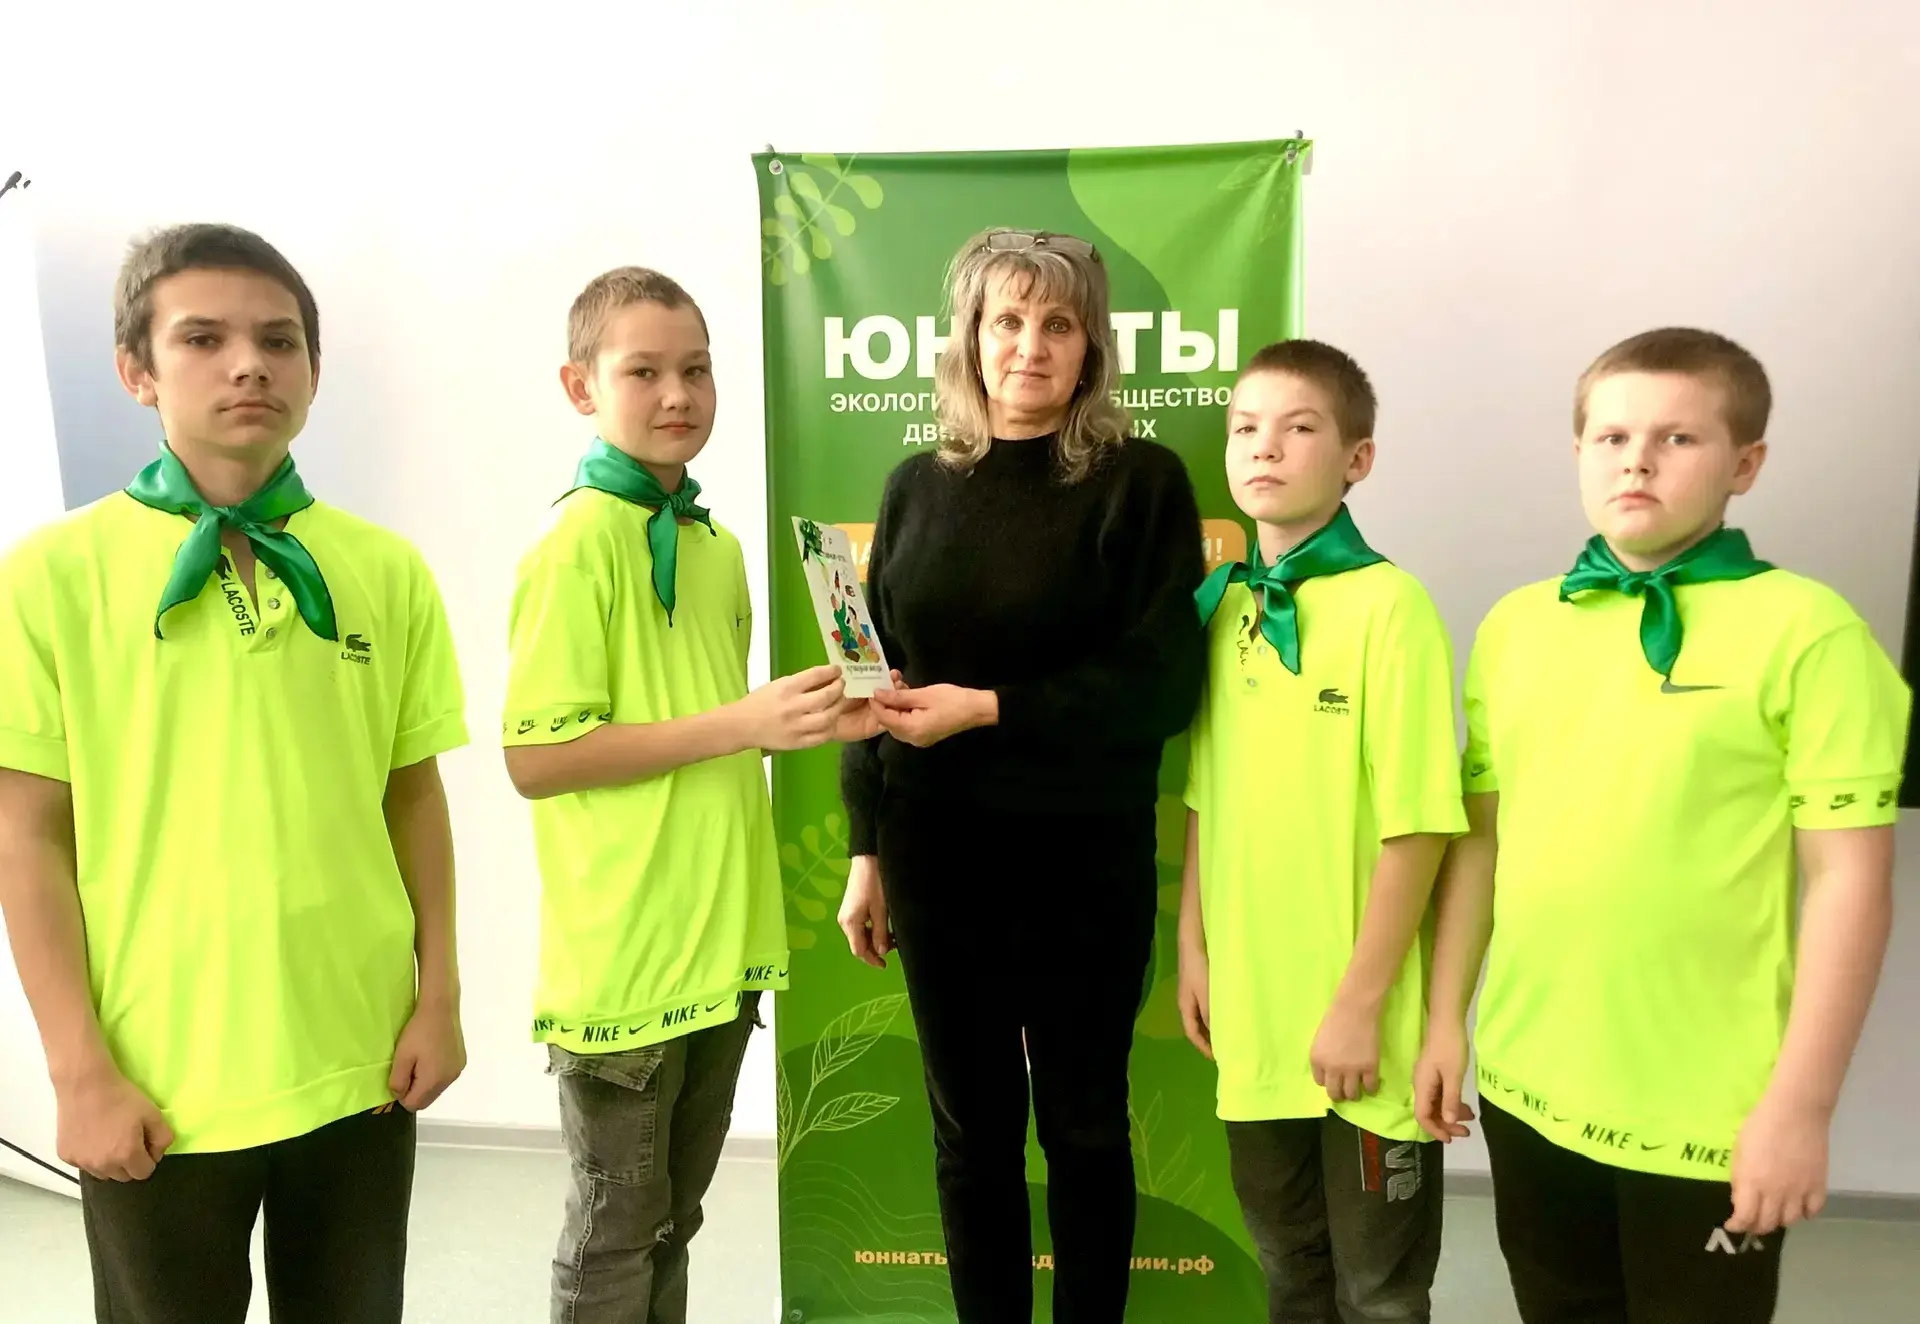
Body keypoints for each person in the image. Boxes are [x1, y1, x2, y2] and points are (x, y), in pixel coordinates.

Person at [0, 223, 469, 1323]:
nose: (249, 364)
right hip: (159, 1078)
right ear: (137, 370)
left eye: (279, 340)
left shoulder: (385, 568)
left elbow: (412, 797)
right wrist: (78, 1071)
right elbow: (26, 833)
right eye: (203, 338)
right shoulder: (50, 575)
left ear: (314, 370)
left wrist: (439, 997)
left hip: (358, 1063)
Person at [1415, 328, 1911, 1324]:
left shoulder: (1812, 633)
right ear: (1579, 453)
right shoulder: (1516, 626)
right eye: (1611, 437)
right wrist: (1442, 1020)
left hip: (1707, 1116)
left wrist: (1800, 1108)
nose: (1636, 460)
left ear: (1745, 464)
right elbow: (1482, 842)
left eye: (1677, 438)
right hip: (1525, 1089)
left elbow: (1851, 882)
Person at [836, 228, 1207, 1323]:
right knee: (972, 1138)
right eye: (1007, 320)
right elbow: (877, 682)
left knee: (1086, 1129)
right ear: (970, 337)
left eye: (1058, 324)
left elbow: (1160, 684)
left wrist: (990, 706)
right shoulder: (915, 488)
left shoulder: (1141, 484)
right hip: (937, 862)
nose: (1030, 346)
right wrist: (865, 851)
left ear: (1091, 348)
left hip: (1084, 867)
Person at [502, 266, 872, 1324]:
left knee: (674, 1218)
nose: (678, 394)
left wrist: (808, 719)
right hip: (627, 949)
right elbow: (538, 757)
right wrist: (742, 723)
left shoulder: (717, 546)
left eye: (697, 370)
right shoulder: (576, 544)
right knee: (615, 1230)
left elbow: (704, 722)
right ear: (581, 386)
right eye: (645, 372)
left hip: (722, 936)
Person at [1179, 340, 1466, 1323]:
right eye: (1245, 428)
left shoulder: (1391, 607)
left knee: (1379, 1290)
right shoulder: (1225, 607)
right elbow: (1206, 795)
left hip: (1364, 1026)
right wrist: (1195, 948)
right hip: (1254, 1016)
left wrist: (1358, 1004)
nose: (1265, 447)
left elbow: (1421, 828)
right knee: (1288, 1267)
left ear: (1357, 459)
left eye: (1299, 427)